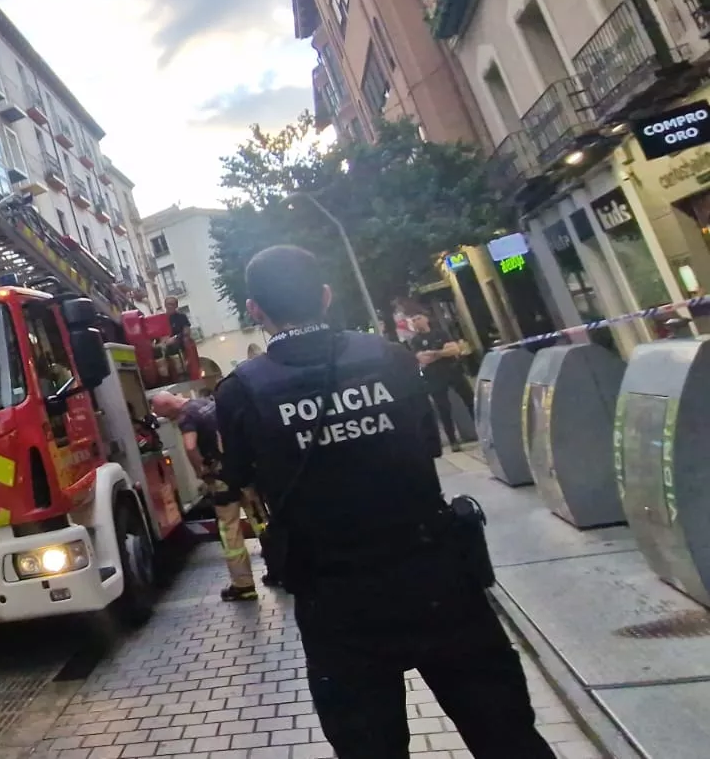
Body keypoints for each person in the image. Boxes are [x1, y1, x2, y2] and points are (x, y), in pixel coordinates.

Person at [213, 245, 554, 758]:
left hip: (336, 601)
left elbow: (238, 477)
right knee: (507, 737)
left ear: (255, 310)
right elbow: (426, 444)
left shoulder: (240, 390)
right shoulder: (389, 358)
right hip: (436, 576)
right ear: (326, 297)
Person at [150, 390, 264, 601]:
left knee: (230, 530)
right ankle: (280, 570)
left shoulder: (186, 417)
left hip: (221, 478)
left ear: (168, 406)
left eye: (164, 414)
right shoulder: (205, 404)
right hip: (242, 471)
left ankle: (244, 585)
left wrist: (201, 469)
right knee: (260, 520)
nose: (167, 419)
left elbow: (190, 445)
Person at [410, 313, 474, 451]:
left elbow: (455, 350)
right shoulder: (415, 341)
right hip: (434, 378)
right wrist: (442, 352)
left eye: (418, 318)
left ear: (426, 319)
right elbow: (422, 359)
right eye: (413, 320)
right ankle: (453, 441)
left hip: (454, 372)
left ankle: (482, 430)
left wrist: (433, 353)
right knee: (444, 410)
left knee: (471, 402)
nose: (416, 322)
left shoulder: (440, 333)